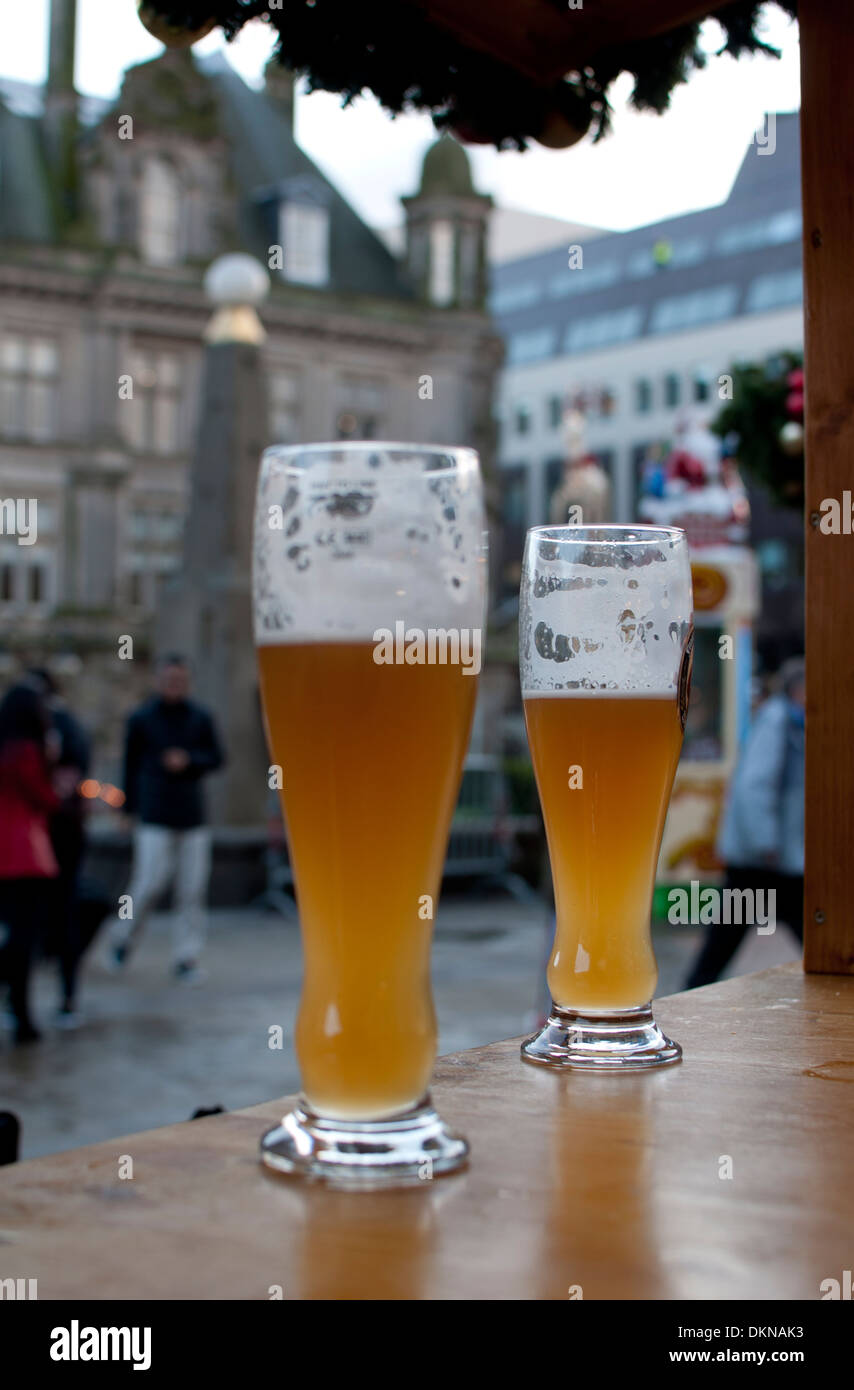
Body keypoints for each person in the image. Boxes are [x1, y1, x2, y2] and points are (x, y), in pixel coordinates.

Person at [685, 657, 805, 989]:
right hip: (766, 859)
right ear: (800, 689)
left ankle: (689, 992)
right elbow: (756, 785)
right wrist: (766, 844)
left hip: (767, 858)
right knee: (726, 939)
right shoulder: (780, 721)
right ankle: (689, 993)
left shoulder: (786, 721)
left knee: (724, 939)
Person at [109, 655, 224, 982]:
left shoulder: (201, 717)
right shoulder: (142, 718)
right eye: (169, 680)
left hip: (192, 816)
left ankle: (187, 956)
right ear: (159, 681)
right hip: (154, 814)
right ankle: (122, 937)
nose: (175, 686)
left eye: (180, 681)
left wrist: (189, 760)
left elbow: (217, 757)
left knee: (192, 889)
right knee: (147, 884)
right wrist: (127, 810)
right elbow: (129, 766)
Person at [26, 669, 93, 1027]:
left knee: (37, 920)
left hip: (47, 837)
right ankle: (63, 998)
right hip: (54, 836)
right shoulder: (62, 726)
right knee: (56, 915)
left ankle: (34, 1000)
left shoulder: (37, 729)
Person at [0, 683, 61, 1043]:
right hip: (24, 852)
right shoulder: (27, 751)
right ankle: (21, 1014)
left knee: (15, 933)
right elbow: (44, 798)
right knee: (24, 939)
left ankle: (19, 1012)